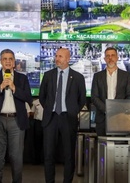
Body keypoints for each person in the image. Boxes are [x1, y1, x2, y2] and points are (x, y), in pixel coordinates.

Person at [0, 49, 32, 183]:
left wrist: (14, 88)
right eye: (5, 59)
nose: (8, 61)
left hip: (17, 120)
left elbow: (28, 98)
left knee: (16, 157)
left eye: (10, 59)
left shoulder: (22, 78)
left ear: (14, 62)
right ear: (1, 61)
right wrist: (0, 87)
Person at [39, 47, 86, 183]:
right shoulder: (48, 75)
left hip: (68, 118)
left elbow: (82, 99)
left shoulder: (78, 77)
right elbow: (42, 97)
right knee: (48, 155)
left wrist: (72, 110)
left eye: (60, 56)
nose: (57, 59)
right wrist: (49, 109)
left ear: (67, 59)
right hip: (51, 118)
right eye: (56, 56)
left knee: (69, 155)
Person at [91, 47, 130, 136]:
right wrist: (107, 109)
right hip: (102, 119)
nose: (110, 58)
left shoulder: (126, 75)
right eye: (107, 56)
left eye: (113, 55)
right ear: (104, 59)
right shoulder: (97, 76)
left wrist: (117, 109)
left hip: (121, 117)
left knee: (120, 147)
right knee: (103, 147)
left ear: (117, 57)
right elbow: (94, 97)